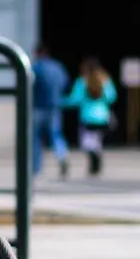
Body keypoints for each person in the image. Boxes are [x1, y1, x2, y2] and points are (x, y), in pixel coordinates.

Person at [64, 56, 117, 177]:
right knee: (97, 141)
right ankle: (96, 159)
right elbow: (112, 97)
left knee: (87, 142)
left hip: (88, 116)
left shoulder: (82, 81)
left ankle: (94, 161)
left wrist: (61, 102)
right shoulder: (105, 80)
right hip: (103, 116)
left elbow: (75, 100)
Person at [31, 44, 69, 178]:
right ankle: (61, 156)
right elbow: (64, 84)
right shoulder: (58, 67)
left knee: (35, 139)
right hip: (55, 106)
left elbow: (28, 84)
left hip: (37, 107)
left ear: (37, 53)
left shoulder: (35, 67)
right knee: (56, 135)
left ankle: (36, 169)